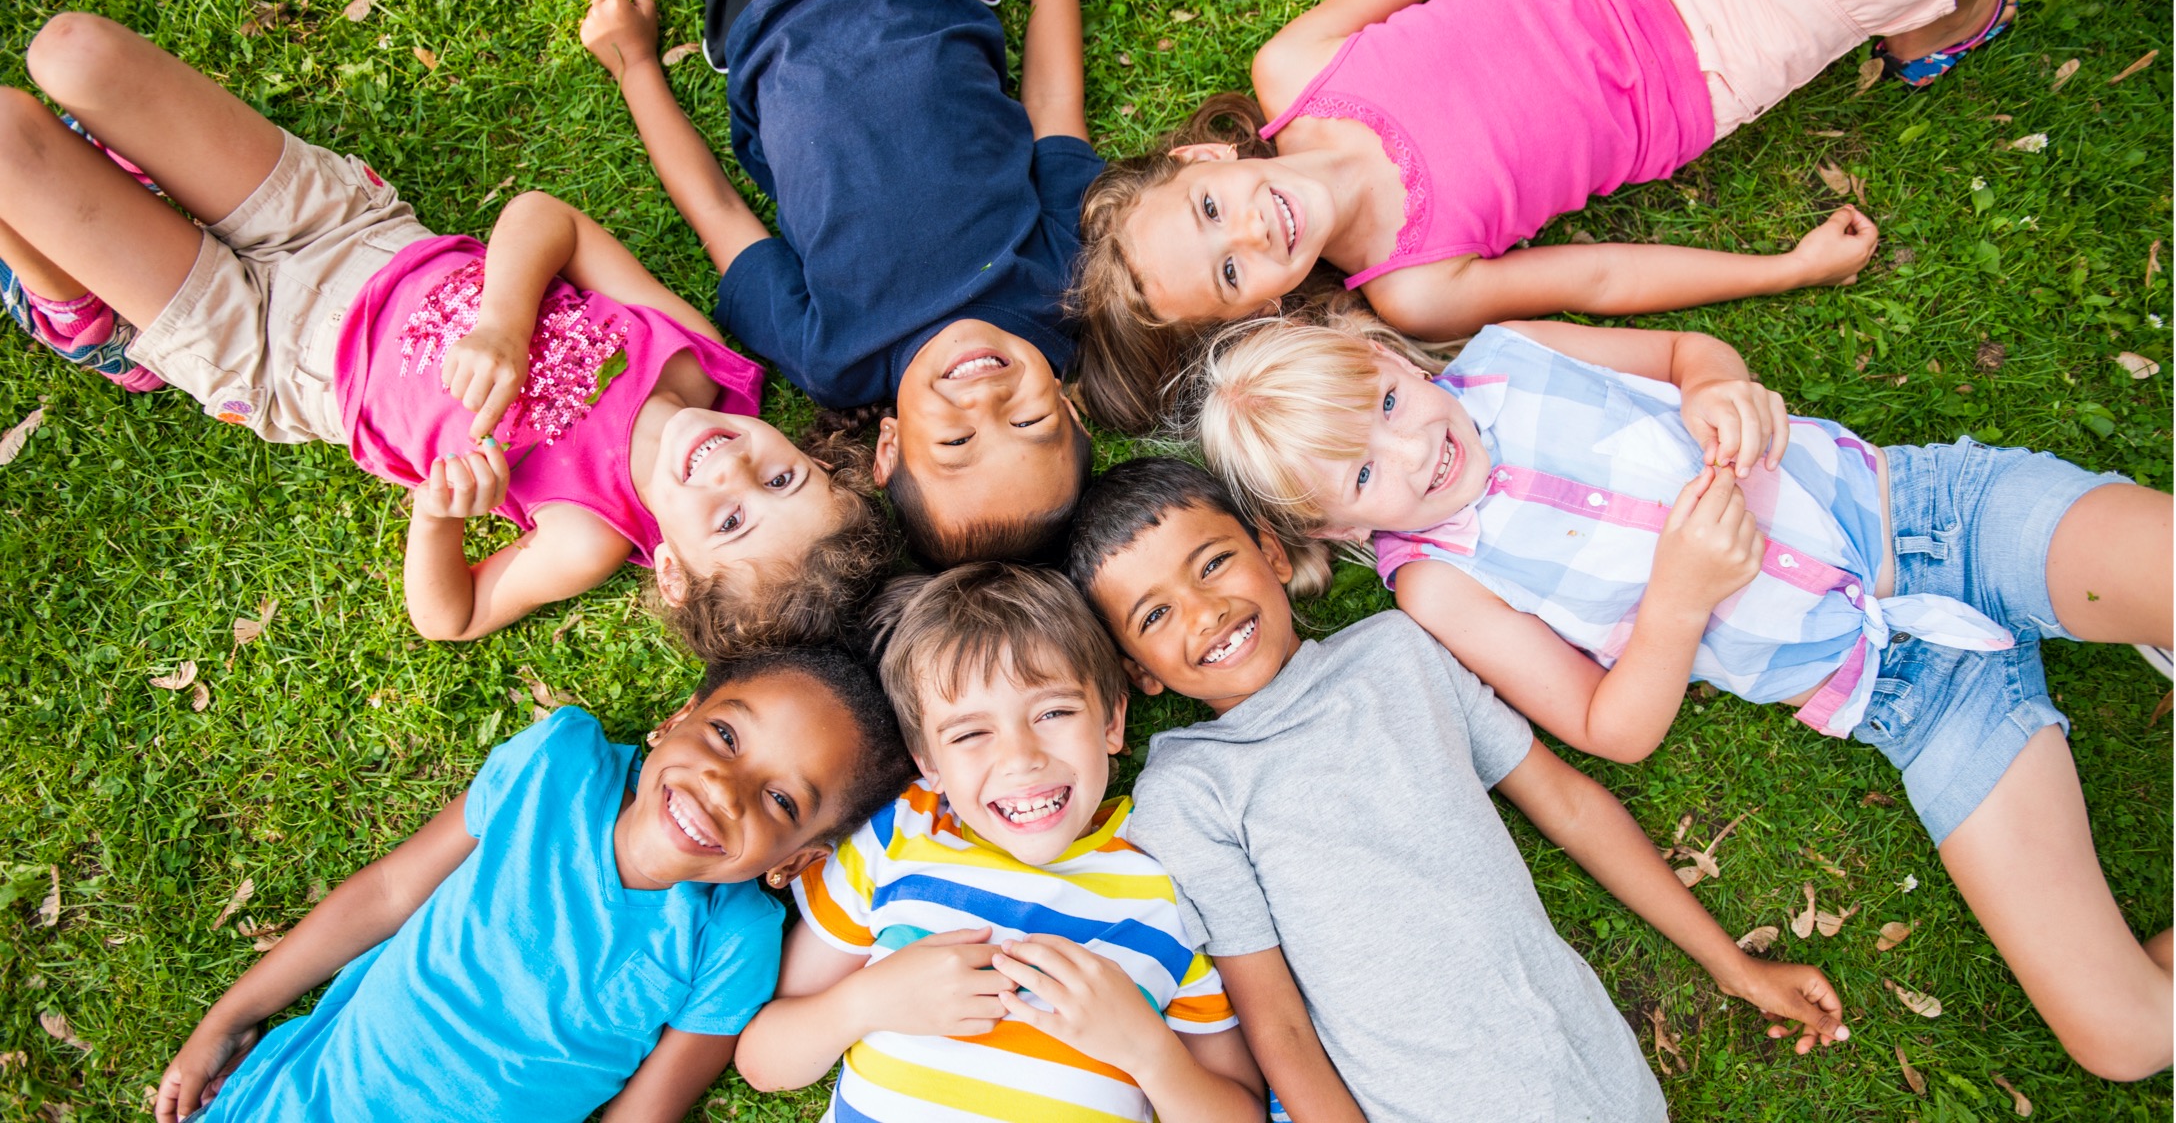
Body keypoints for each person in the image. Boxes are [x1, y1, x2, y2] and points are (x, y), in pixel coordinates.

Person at [1186, 314, 2175, 1079]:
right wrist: (1678, 598)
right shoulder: (1439, 582)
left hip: (1931, 519)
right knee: (2124, 1038)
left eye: (1387, 408)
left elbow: (1682, 349)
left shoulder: (1506, 353)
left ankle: (2114, 600)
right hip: (1911, 695)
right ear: (1335, 532)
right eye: (1364, 474)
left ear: (1388, 356)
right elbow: (1607, 729)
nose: (1412, 455)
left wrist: (1717, 386)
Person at [0, 12, 894, 646]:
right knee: (71, 50)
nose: (736, 467)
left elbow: (451, 617)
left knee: (9, 137)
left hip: (272, 356)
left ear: (673, 572)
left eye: (733, 519)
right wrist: (507, 319)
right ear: (813, 451)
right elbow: (552, 219)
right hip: (346, 230)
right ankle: (102, 243)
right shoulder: (697, 360)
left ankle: (92, 322)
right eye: (784, 476)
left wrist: (436, 517)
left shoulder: (588, 535)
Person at [1065, 0, 2046, 431]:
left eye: (1205, 211)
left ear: (1200, 158)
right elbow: (1603, 277)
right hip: (1724, 51)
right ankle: (1941, 11)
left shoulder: (1295, 72)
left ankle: (1945, 13)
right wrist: (1783, 270)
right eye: (1229, 272)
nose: (1245, 232)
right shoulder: (1411, 287)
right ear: (1264, 313)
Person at [1064, 457, 1848, 1120]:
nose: (1204, 612)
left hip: (1599, 1080)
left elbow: (1568, 804)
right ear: (1137, 671)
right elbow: (1279, 1027)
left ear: (1271, 552)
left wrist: (1731, 965)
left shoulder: (1399, 653)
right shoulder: (1190, 790)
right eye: (1156, 614)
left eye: (1212, 563)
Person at [152, 645, 919, 1123]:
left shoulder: (733, 939)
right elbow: (388, 893)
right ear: (677, 718)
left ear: (796, 861)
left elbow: (645, 1112)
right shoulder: (559, 766)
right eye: (725, 735)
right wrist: (228, 1017)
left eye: (782, 801)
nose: (725, 789)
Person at [581, 0, 1103, 567]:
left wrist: (636, 68)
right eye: (1029, 423)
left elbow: (717, 212)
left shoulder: (833, 358)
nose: (985, 401)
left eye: (956, 442)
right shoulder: (1063, 284)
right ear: (1070, 409)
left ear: (890, 447)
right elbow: (1056, 109)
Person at [733, 563, 1265, 1121]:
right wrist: (864, 1004)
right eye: (970, 733)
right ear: (927, 763)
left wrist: (1148, 1052)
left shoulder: (1169, 882)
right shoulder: (900, 838)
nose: (1020, 758)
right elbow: (764, 1062)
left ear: (1112, 722)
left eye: (1053, 712)